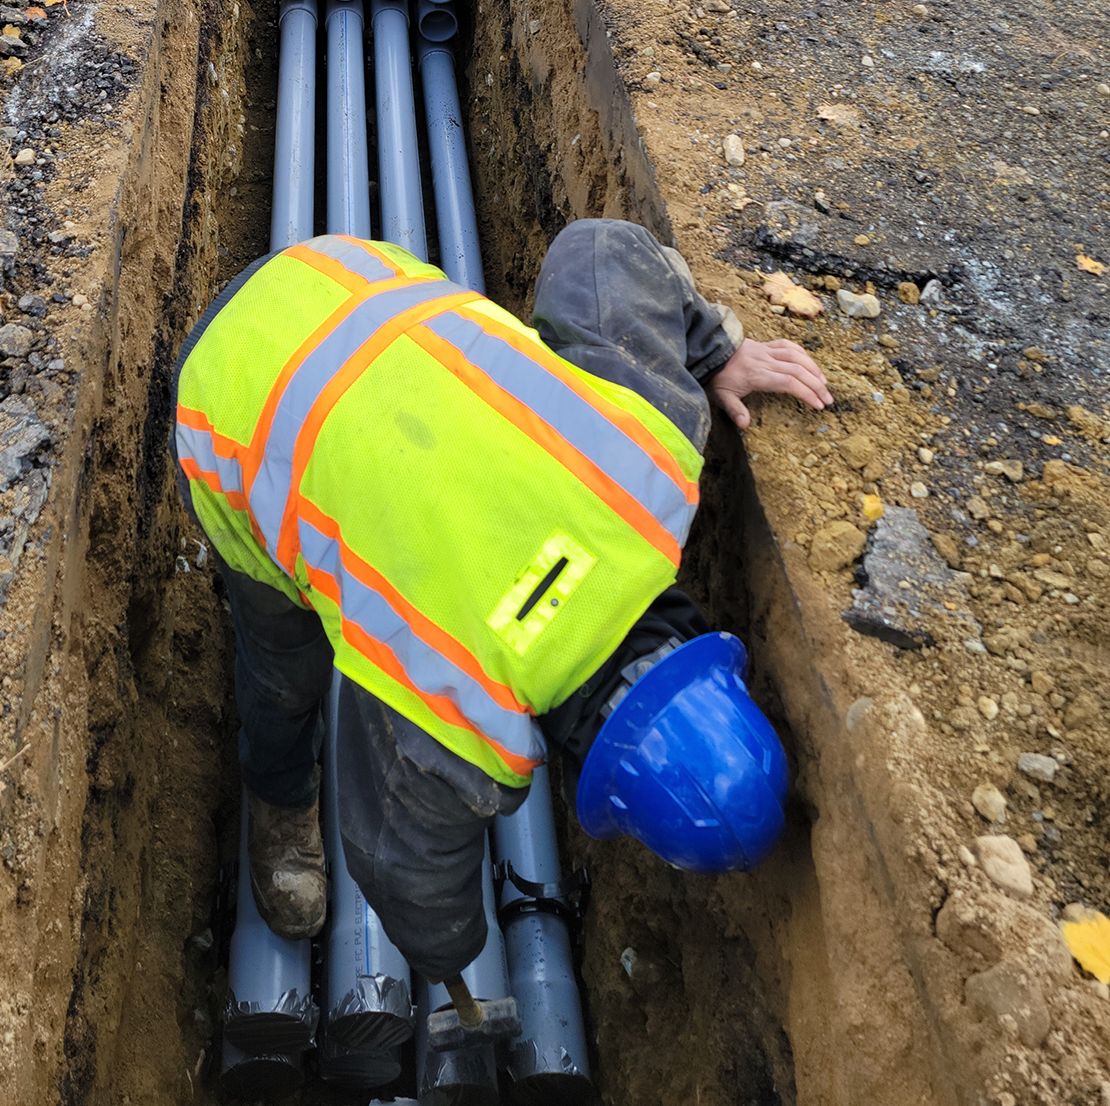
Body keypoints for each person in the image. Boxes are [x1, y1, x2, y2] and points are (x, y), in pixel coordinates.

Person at [174, 220, 830, 983]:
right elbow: (395, 860)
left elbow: (599, 250)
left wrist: (709, 353)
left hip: (340, 276)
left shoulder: (654, 455)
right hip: (234, 402)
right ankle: (279, 794)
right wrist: (449, 954)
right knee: (285, 664)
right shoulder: (456, 718)